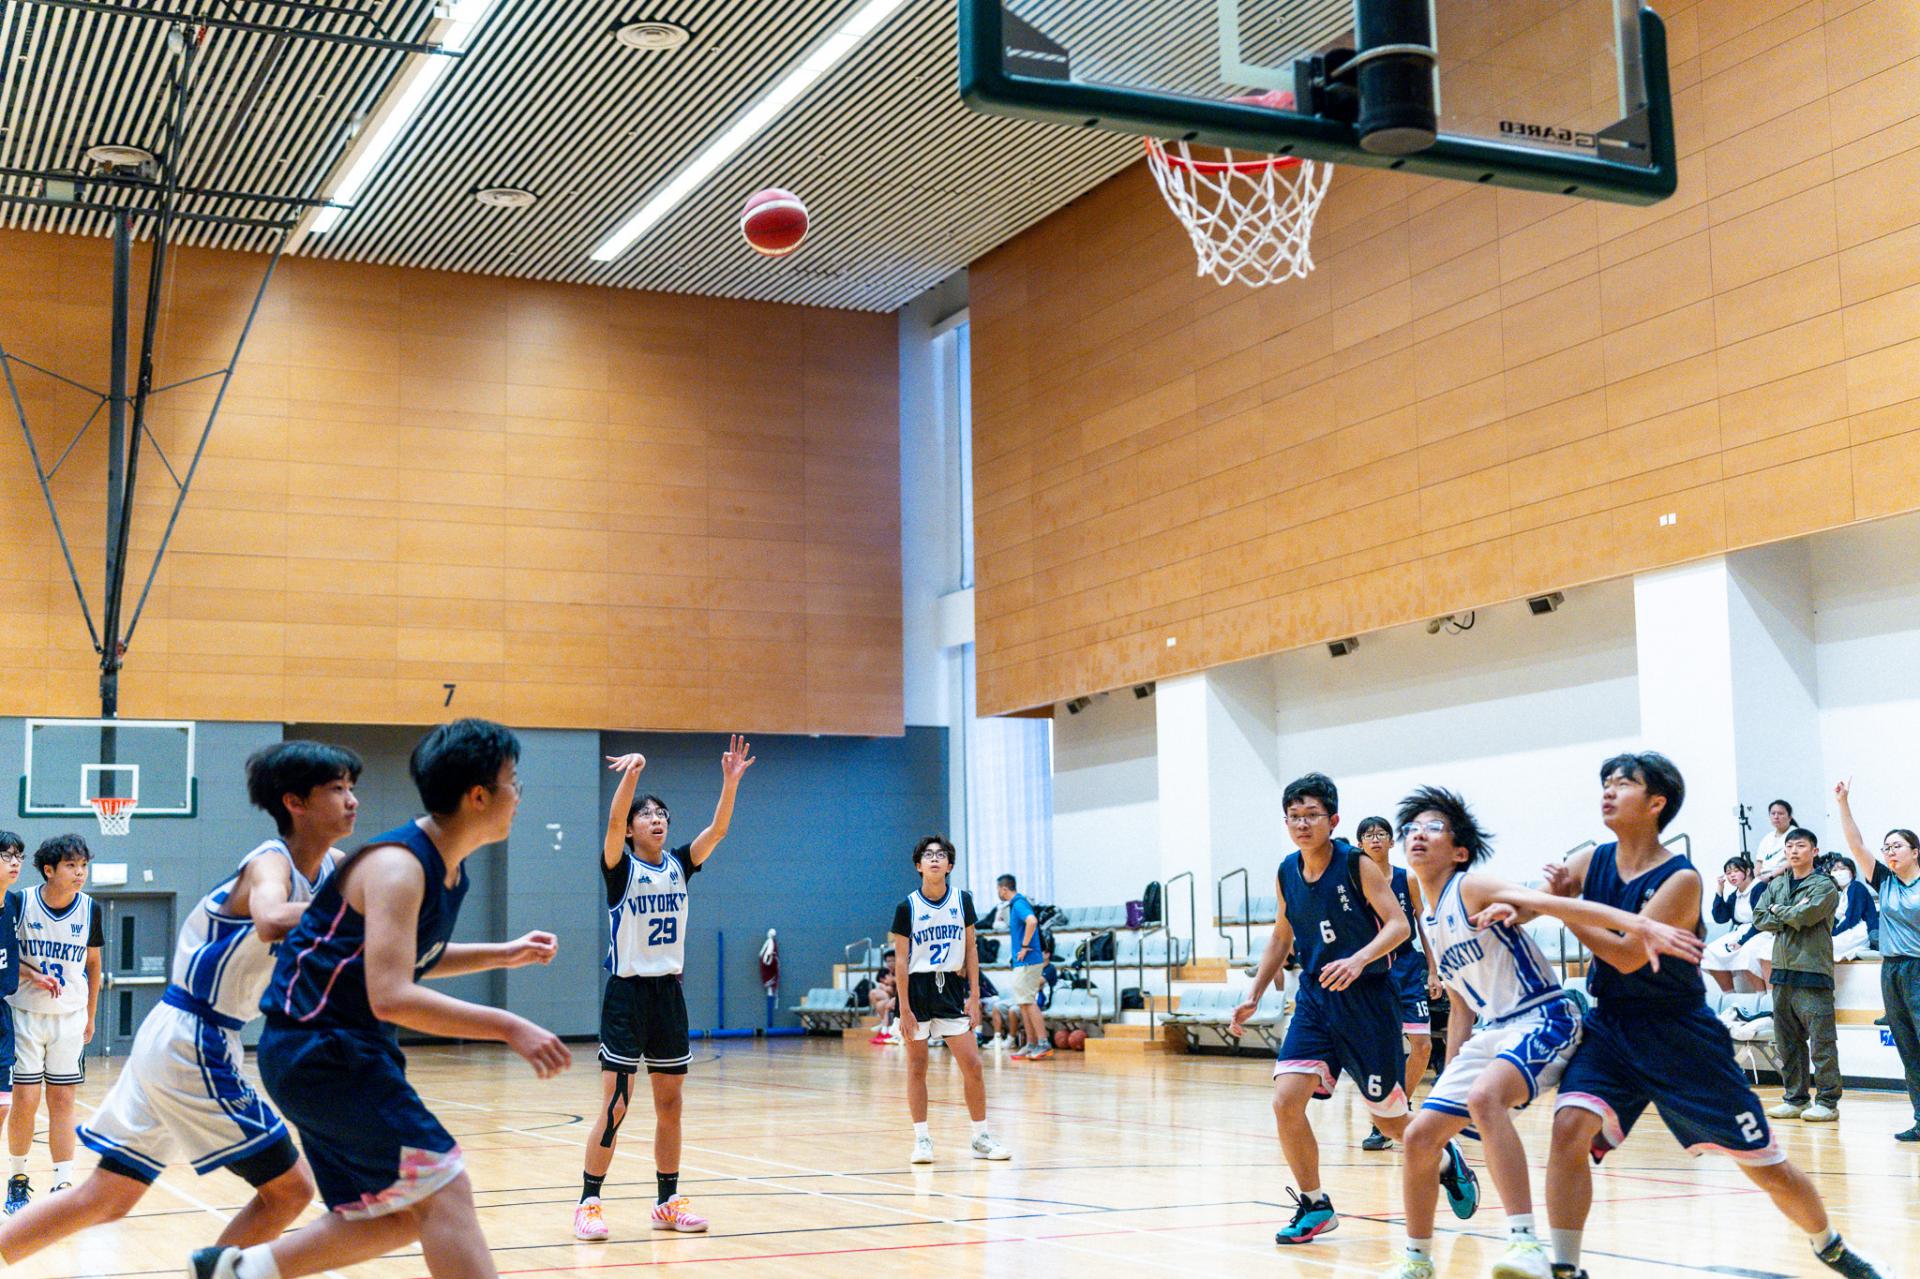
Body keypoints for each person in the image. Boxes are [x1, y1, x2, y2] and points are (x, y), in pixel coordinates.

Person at [188, 718, 570, 1279]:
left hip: (325, 1052)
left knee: (391, 1216)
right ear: (479, 795)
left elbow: (404, 957)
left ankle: (238, 1272)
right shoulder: (399, 866)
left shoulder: (447, 868)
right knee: (444, 1187)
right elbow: (391, 995)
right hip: (322, 1050)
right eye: (514, 782)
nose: (520, 796)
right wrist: (511, 1025)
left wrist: (503, 953)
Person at [0, 742, 362, 1266]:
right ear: (294, 803)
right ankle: (217, 1271)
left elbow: (388, 948)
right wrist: (356, 920)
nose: (352, 800)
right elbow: (271, 917)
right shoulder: (270, 865)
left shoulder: (339, 871)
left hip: (174, 1037)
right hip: (196, 1039)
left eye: (353, 788)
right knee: (291, 1191)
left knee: (105, 1197)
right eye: (337, 789)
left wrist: (505, 953)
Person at [1542, 753, 1881, 1279]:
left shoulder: (1681, 878)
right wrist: (1506, 904)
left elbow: (1628, 953)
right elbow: (1535, 902)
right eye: (1604, 783)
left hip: (1680, 1035)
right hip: (1611, 1027)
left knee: (1766, 1167)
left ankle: (1829, 1243)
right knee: (1568, 1128)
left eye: (1622, 784)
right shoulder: (1590, 862)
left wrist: (1561, 908)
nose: (1607, 791)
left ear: (1656, 803)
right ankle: (1565, 1268)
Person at [1379, 786, 1703, 1279]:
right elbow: (1462, 1000)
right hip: (1494, 1030)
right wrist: (1452, 1073)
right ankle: (1417, 1261)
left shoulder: (1471, 886)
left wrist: (1638, 925)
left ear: (1460, 850)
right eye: (1412, 829)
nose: (1418, 835)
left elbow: (1555, 904)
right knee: (1422, 1136)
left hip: (1545, 1016)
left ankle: (1525, 1244)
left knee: (1487, 1099)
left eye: (1434, 827)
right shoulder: (1428, 916)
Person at [1228, 773, 1478, 1246]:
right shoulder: (1286, 871)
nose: (1302, 824)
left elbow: (1399, 926)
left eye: (1311, 816)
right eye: (1294, 817)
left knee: (1388, 1119)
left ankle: (1447, 1161)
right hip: (1316, 1003)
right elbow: (1282, 935)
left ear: (1333, 819)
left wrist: (1360, 957)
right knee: (1285, 1100)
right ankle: (1315, 1204)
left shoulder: (1356, 865)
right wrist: (1255, 993)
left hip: (1367, 1002)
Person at [575, 737, 755, 1243]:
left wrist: (730, 782)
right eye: (647, 815)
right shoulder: (621, 868)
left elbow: (718, 829)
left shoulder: (679, 864)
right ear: (632, 829)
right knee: (616, 1105)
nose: (657, 820)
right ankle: (589, 1202)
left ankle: (667, 1201)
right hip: (627, 994)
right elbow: (610, 825)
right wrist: (631, 774)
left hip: (668, 995)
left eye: (662, 815)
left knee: (670, 1104)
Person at [889, 836, 1010, 1164]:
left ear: (950, 865)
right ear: (918, 866)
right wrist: (904, 1007)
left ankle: (981, 1136)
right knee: (917, 1066)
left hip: (952, 989)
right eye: (928, 855)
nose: (934, 859)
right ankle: (922, 1139)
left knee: (972, 1064)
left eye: (940, 855)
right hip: (918, 989)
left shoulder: (962, 900)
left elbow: (971, 948)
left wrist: (975, 994)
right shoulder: (907, 907)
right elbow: (900, 961)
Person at [5, 833, 102, 1212]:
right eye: (71, 866)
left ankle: (63, 1183)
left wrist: (91, 1015)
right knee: (25, 1101)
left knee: (63, 1099)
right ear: (49, 870)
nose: (80, 873)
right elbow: (8, 954)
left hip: (70, 1017)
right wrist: (33, 976)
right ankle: (18, 1179)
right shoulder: (20, 902)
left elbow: (93, 964)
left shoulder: (89, 908)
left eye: (83, 866)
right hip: (25, 1014)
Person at [1833, 780, 1920, 1141]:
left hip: (1918, 969)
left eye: (1897, 845)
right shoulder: (1883, 880)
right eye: (1886, 847)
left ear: (1916, 851)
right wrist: (1843, 803)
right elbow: (1856, 845)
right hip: (1892, 970)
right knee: (1908, 1049)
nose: (1889, 852)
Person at [1355, 814, 1441, 1152]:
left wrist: (1433, 969)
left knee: (1423, 1046)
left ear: (1392, 842)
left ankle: (1397, 1109)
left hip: (1406, 966)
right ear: (1359, 844)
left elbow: (1423, 926)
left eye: (1381, 834)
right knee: (1383, 1049)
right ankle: (1384, 1119)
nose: (1375, 840)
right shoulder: (1353, 882)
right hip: (1375, 969)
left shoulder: (1407, 880)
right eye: (1368, 835)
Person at [1751, 828, 1841, 1123]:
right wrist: (1786, 911)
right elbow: (1759, 917)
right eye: (1789, 846)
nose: (1793, 850)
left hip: (1812, 970)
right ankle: (1795, 1098)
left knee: (1821, 1042)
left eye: (1800, 845)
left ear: (1814, 851)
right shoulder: (1778, 883)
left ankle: (1827, 1101)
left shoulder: (1825, 886)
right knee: (1787, 1041)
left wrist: (1782, 912)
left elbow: (1807, 916)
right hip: (1781, 971)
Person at [0, 830, 60, 1218]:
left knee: (1, 1109)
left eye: (18, 856)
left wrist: (31, 975)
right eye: (6, 856)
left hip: (1, 1017)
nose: (15, 862)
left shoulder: (12, 905)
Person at [996, 874, 1050, 1061]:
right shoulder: (1016, 904)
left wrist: (1025, 946)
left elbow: (1032, 921)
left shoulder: (1018, 903)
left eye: (998, 890)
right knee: (1023, 1002)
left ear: (1003, 889)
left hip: (1028, 960)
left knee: (1029, 1000)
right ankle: (1031, 1043)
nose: (998, 893)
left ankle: (1043, 1042)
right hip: (1023, 962)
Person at [1703, 857, 1768, 992]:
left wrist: (1742, 942)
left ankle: (1761, 995)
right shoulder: (1735, 895)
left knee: (1746, 950)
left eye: (1736, 871)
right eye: (1728, 872)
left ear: (1748, 871)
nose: (1732, 875)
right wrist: (1720, 890)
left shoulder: (1759, 888)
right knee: (1709, 951)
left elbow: (1761, 921)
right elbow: (1720, 918)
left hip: (1762, 930)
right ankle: (1729, 995)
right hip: (1741, 931)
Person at [1824, 854, 1877, 960]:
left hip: (1861, 929)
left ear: (1853, 873)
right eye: (1834, 870)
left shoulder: (1856, 887)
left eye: (1843, 868)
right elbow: (1835, 919)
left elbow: (1853, 918)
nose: (1839, 872)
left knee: (1827, 946)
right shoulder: (1840, 894)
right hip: (1848, 928)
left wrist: (1833, 933)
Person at [1755, 800, 1795, 878]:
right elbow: (1759, 862)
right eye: (1773, 813)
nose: (1776, 817)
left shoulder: (1796, 835)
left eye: (1780, 813)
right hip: (1763, 878)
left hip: (1783, 877)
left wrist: (1771, 876)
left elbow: (1793, 861)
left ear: (1789, 817)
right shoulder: (1767, 837)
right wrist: (1757, 877)